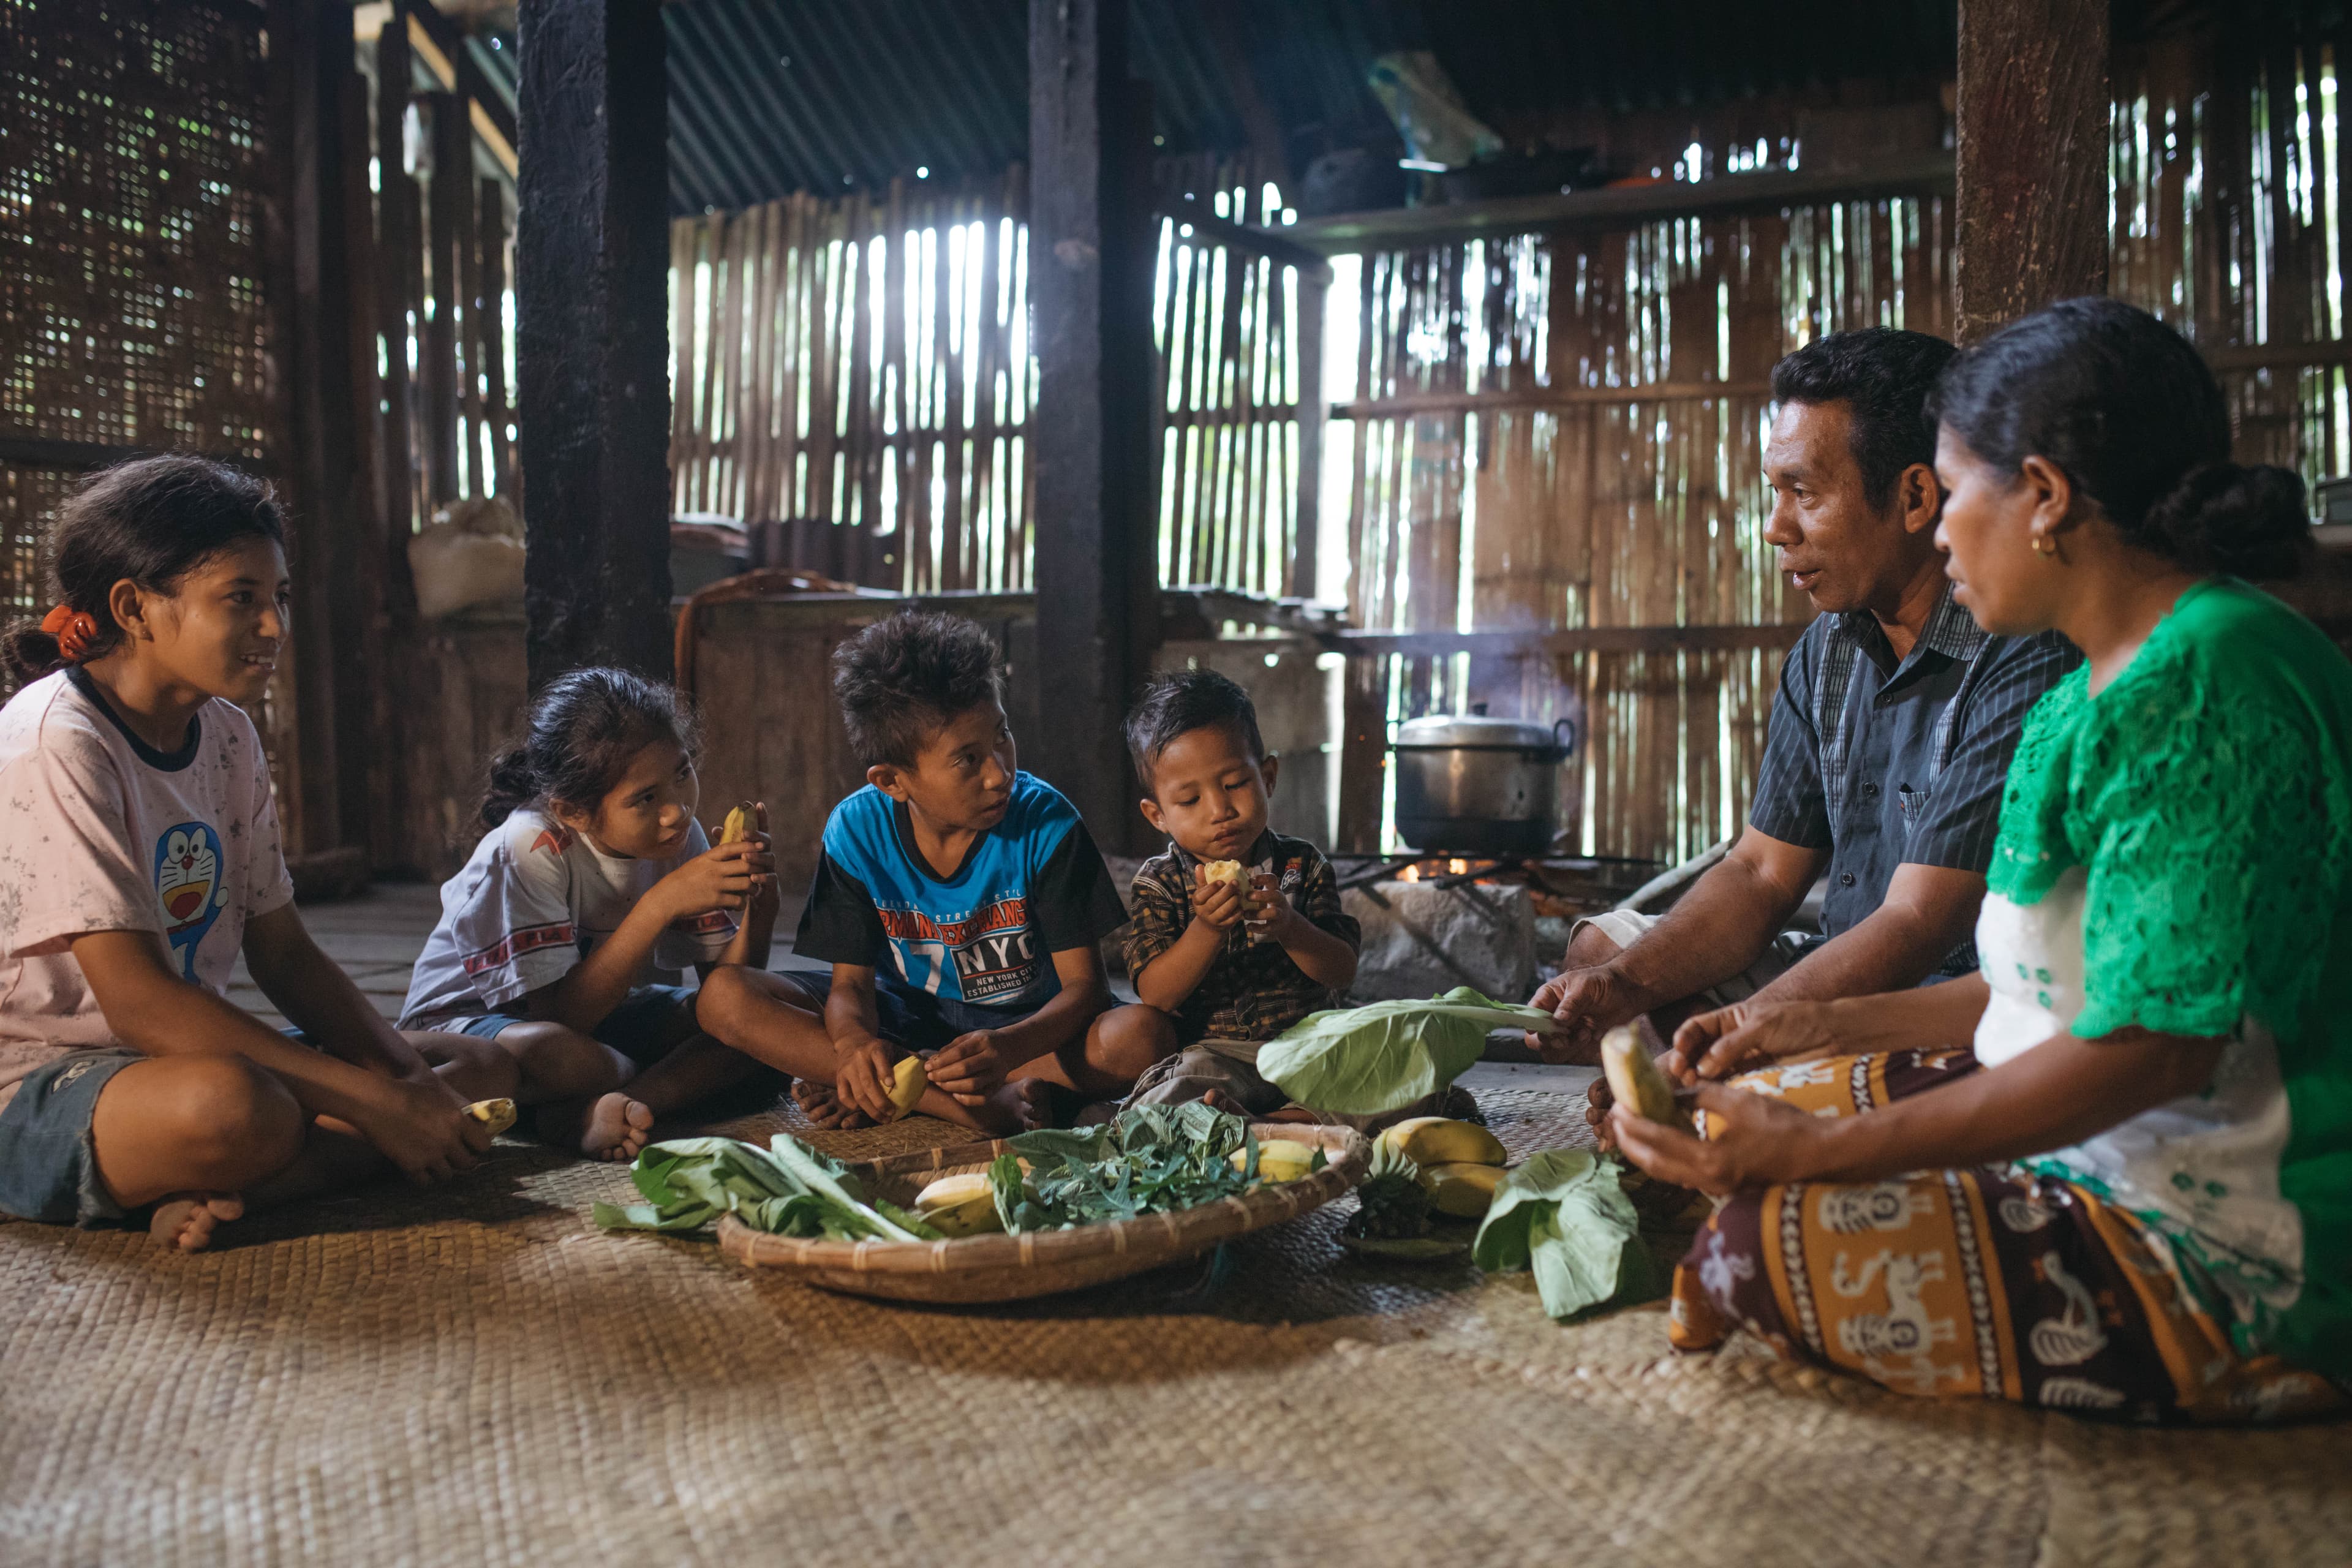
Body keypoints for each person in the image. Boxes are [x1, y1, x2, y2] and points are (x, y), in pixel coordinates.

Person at [1610, 298, 2350, 1422]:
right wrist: (1806, 1025)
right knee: (1735, 1119)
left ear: (2045, 498)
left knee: (1750, 1249)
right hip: (2102, 1145)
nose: (1941, 528)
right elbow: (2034, 995)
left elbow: (2153, 1047)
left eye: (1954, 493)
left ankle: (2243, 1343)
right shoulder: (2083, 694)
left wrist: (1829, 1154)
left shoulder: (2207, 686)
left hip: (2230, 1224)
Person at [1531, 327, 2081, 1133]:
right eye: (1774, 492)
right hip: (1839, 972)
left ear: (1916, 498)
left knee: (1708, 1073)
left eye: (1804, 492)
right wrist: (1625, 982)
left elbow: (1917, 926)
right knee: (1600, 969)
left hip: (1938, 1006)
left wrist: (1747, 1031)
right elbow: (1759, 874)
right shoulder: (1827, 650)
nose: (1775, 527)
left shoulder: (2022, 654)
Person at [0, 456, 513, 1253]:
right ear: (136, 608)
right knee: (238, 1109)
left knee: (467, 1068)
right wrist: (374, 1105)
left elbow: (284, 952)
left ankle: (247, 1190)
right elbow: (138, 1004)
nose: (274, 626)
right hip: (38, 1084)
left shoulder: (228, 735)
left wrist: (403, 1083)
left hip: (172, 1059)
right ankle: (277, 1165)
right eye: (241, 599)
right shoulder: (55, 741)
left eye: (277, 597)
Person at [694, 612, 1142, 1133]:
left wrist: (1005, 1048)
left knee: (1140, 1036)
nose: (1000, 773)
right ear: (892, 781)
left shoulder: (1047, 822)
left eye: (1002, 735)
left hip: (1029, 1032)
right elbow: (852, 991)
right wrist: (855, 1045)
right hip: (903, 1021)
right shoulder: (858, 830)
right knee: (724, 998)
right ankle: (967, 1104)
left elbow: (1084, 990)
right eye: (967, 760)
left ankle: (891, 1089)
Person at [398, 668, 786, 1162]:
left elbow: (728, 989)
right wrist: (662, 902)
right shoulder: (532, 846)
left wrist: (761, 908)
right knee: (557, 1054)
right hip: (473, 1025)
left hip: (599, 1025)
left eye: (682, 774)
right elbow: (560, 1017)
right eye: (645, 798)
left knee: (752, 1030)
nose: (676, 811)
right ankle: (613, 1099)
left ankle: (616, 1106)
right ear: (574, 812)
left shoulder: (678, 835)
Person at [1109, 669, 1363, 1118]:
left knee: (1398, 1076)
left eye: (1234, 785)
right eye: (1189, 800)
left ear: (1267, 777)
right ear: (1157, 815)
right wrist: (1206, 928)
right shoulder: (1158, 883)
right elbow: (1156, 995)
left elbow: (1341, 969)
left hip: (1311, 1048)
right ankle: (1284, 1121)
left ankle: (1265, 1123)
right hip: (1218, 1057)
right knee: (1167, 1100)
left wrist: (1292, 929)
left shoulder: (1302, 865)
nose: (1220, 810)